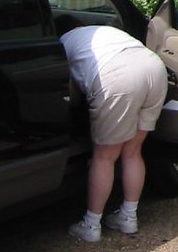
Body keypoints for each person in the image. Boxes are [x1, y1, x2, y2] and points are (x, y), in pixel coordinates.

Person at [59, 24, 168, 243]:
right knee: (133, 151)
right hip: (154, 68)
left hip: (117, 75)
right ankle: (128, 217)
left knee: (105, 156)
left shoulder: (62, 44)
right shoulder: (99, 31)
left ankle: (91, 224)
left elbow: (72, 95)